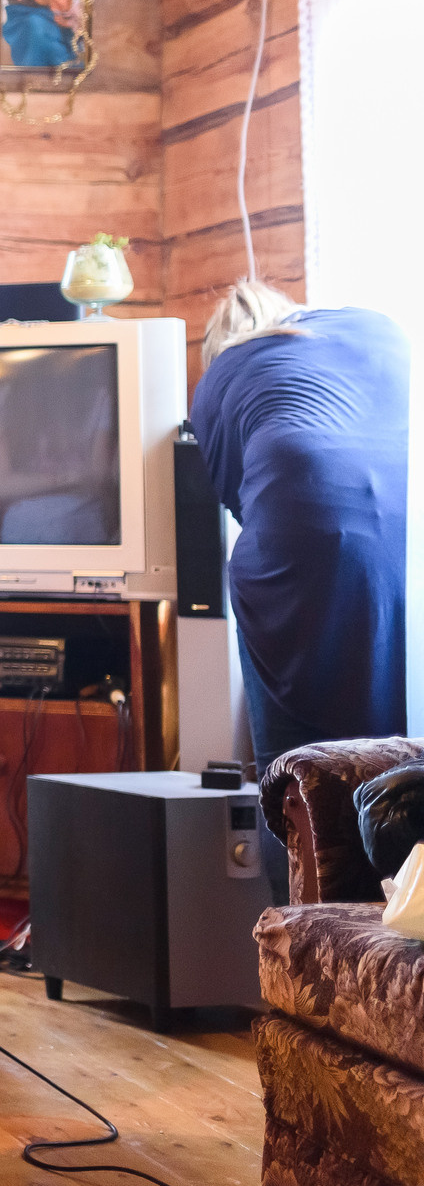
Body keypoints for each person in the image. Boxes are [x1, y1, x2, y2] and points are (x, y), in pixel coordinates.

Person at [190, 279, 408, 898]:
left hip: (297, 540)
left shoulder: (221, 376)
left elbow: (240, 500)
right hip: (408, 532)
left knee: (298, 768)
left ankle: (305, 939)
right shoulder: (372, 324)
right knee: (399, 741)